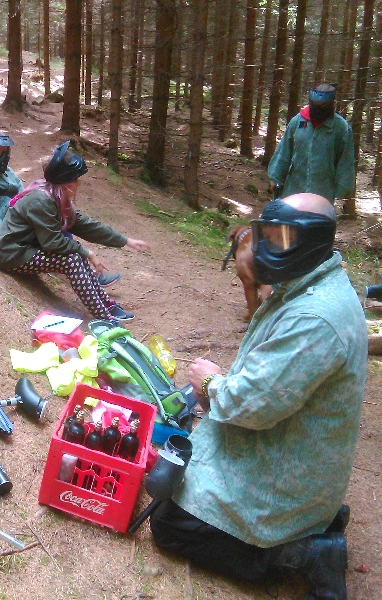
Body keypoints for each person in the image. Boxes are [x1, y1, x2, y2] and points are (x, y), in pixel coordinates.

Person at [150, 193, 367, 600]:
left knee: (170, 525)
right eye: (266, 235)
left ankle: (304, 552)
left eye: (280, 238)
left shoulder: (315, 317)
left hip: (284, 474)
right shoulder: (314, 285)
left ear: (310, 241)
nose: (266, 248)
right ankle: (315, 523)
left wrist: (211, 384)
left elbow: (252, 407)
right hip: (293, 454)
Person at [0, 141, 150, 322]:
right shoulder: (42, 200)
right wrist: (88, 252)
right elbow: (52, 242)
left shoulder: (54, 194)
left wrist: (124, 240)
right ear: (65, 182)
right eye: (75, 179)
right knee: (72, 259)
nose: (78, 183)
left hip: (21, 249)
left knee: (76, 254)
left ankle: (106, 304)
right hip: (8, 254)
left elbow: (84, 224)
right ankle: (105, 318)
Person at [267, 84, 355, 204]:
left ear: (333, 104)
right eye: (315, 104)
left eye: (323, 106)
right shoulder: (297, 121)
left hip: (323, 194)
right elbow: (284, 151)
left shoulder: (341, 128)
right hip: (294, 191)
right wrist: (275, 177)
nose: (318, 109)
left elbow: (345, 162)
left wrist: (341, 193)